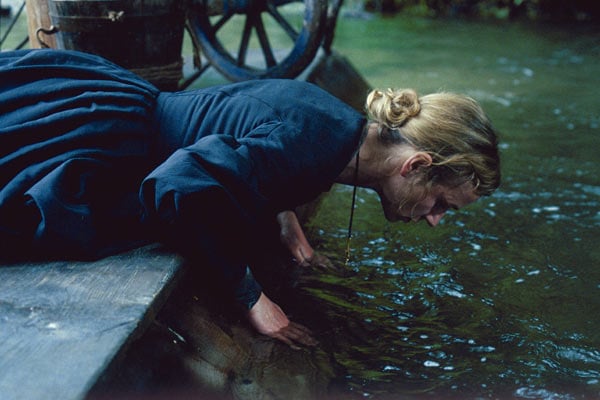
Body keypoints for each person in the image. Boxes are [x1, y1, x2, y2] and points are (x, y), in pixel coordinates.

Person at [0, 49, 500, 348]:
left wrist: (284, 219)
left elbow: (254, 141)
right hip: (114, 141)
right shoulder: (311, 146)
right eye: (442, 205)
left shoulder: (342, 133)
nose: (435, 220)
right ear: (416, 166)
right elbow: (177, 186)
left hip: (127, 106)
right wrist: (252, 300)